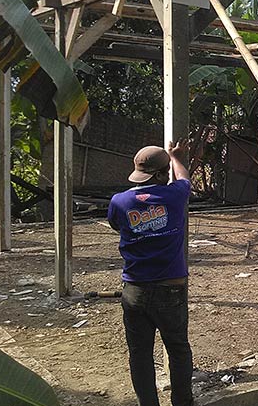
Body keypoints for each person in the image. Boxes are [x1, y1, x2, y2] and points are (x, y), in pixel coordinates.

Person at [107, 141, 193, 406]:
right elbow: (184, 178)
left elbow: (115, 225)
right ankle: (182, 402)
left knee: (140, 353)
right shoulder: (174, 196)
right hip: (170, 288)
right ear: (160, 174)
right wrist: (176, 157)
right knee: (178, 349)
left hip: (134, 290)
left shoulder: (119, 202)